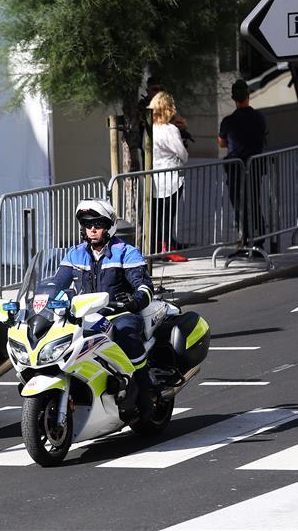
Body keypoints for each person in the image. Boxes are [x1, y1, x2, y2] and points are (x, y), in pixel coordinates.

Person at [51, 199, 155, 419]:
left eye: (98, 224)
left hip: (119, 313)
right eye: (88, 224)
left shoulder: (125, 252)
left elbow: (144, 286)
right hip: (85, 316)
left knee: (126, 334)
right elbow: (55, 284)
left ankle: (146, 389)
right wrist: (38, 300)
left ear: (109, 226)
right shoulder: (74, 254)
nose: (92, 229)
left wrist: (134, 301)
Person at [218, 79, 268, 241]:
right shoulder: (258, 117)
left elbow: (222, 142)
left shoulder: (228, 121)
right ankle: (259, 233)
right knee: (253, 200)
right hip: (254, 166)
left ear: (234, 98)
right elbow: (263, 134)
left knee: (239, 204)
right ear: (248, 96)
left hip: (235, 169)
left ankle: (245, 236)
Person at [149, 91, 189, 262]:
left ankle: (158, 247)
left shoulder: (150, 129)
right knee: (168, 214)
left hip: (154, 177)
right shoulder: (171, 130)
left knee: (157, 215)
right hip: (172, 177)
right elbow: (183, 154)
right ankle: (167, 249)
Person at [140, 76, 195, 148]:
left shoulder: (166, 106)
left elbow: (175, 120)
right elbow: (146, 124)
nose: (159, 92)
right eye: (155, 89)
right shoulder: (143, 106)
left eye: (161, 89)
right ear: (148, 91)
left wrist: (181, 126)